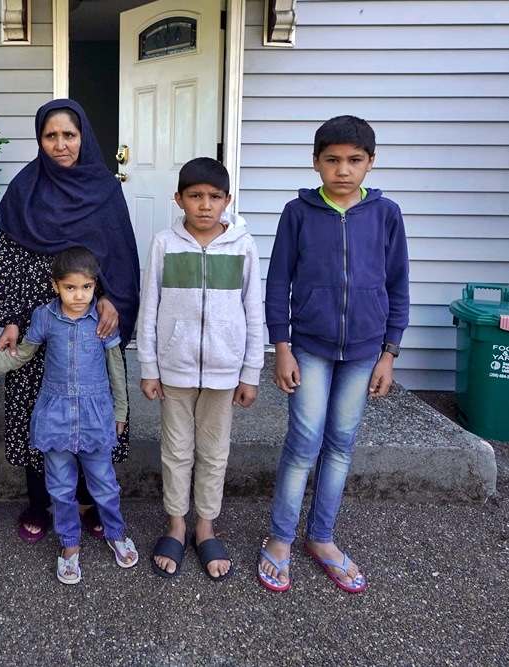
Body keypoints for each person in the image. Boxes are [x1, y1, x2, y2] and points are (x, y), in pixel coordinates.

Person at [258, 115, 410, 594]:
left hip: (365, 351)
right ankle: (281, 538)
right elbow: (278, 281)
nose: (343, 170)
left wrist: (389, 352)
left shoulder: (386, 215)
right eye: (332, 160)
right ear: (316, 162)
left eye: (354, 161)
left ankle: (320, 538)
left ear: (370, 163)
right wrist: (280, 347)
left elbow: (398, 285)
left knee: (341, 442)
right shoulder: (297, 212)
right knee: (304, 442)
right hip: (309, 346)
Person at [0, 99, 140, 543]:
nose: (60, 145)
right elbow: (11, 261)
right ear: (40, 140)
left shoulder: (105, 189)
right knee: (40, 411)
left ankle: (92, 500)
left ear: (84, 137)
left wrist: (112, 298)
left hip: (90, 322)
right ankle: (40, 502)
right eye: (50, 136)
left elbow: (121, 254)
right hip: (41, 326)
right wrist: (14, 319)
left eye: (69, 135)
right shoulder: (24, 189)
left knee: (92, 407)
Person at [0, 247, 138, 583]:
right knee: (60, 487)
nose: (79, 295)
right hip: (56, 415)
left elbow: (116, 368)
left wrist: (120, 410)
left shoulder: (101, 320)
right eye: (70, 288)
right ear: (56, 285)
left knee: (104, 483)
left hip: (94, 414)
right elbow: (22, 356)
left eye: (86, 287)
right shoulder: (45, 317)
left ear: (94, 286)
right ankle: (70, 545)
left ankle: (116, 533)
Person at [137, 158, 265, 582]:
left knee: (214, 452)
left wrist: (251, 371)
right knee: (176, 451)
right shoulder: (164, 244)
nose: (205, 205)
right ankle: (176, 523)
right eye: (195, 196)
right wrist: (150, 366)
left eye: (214, 197)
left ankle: (205, 526)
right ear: (179, 199)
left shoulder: (243, 247)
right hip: (174, 369)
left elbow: (253, 310)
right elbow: (149, 307)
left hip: (225, 371)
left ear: (228, 200)